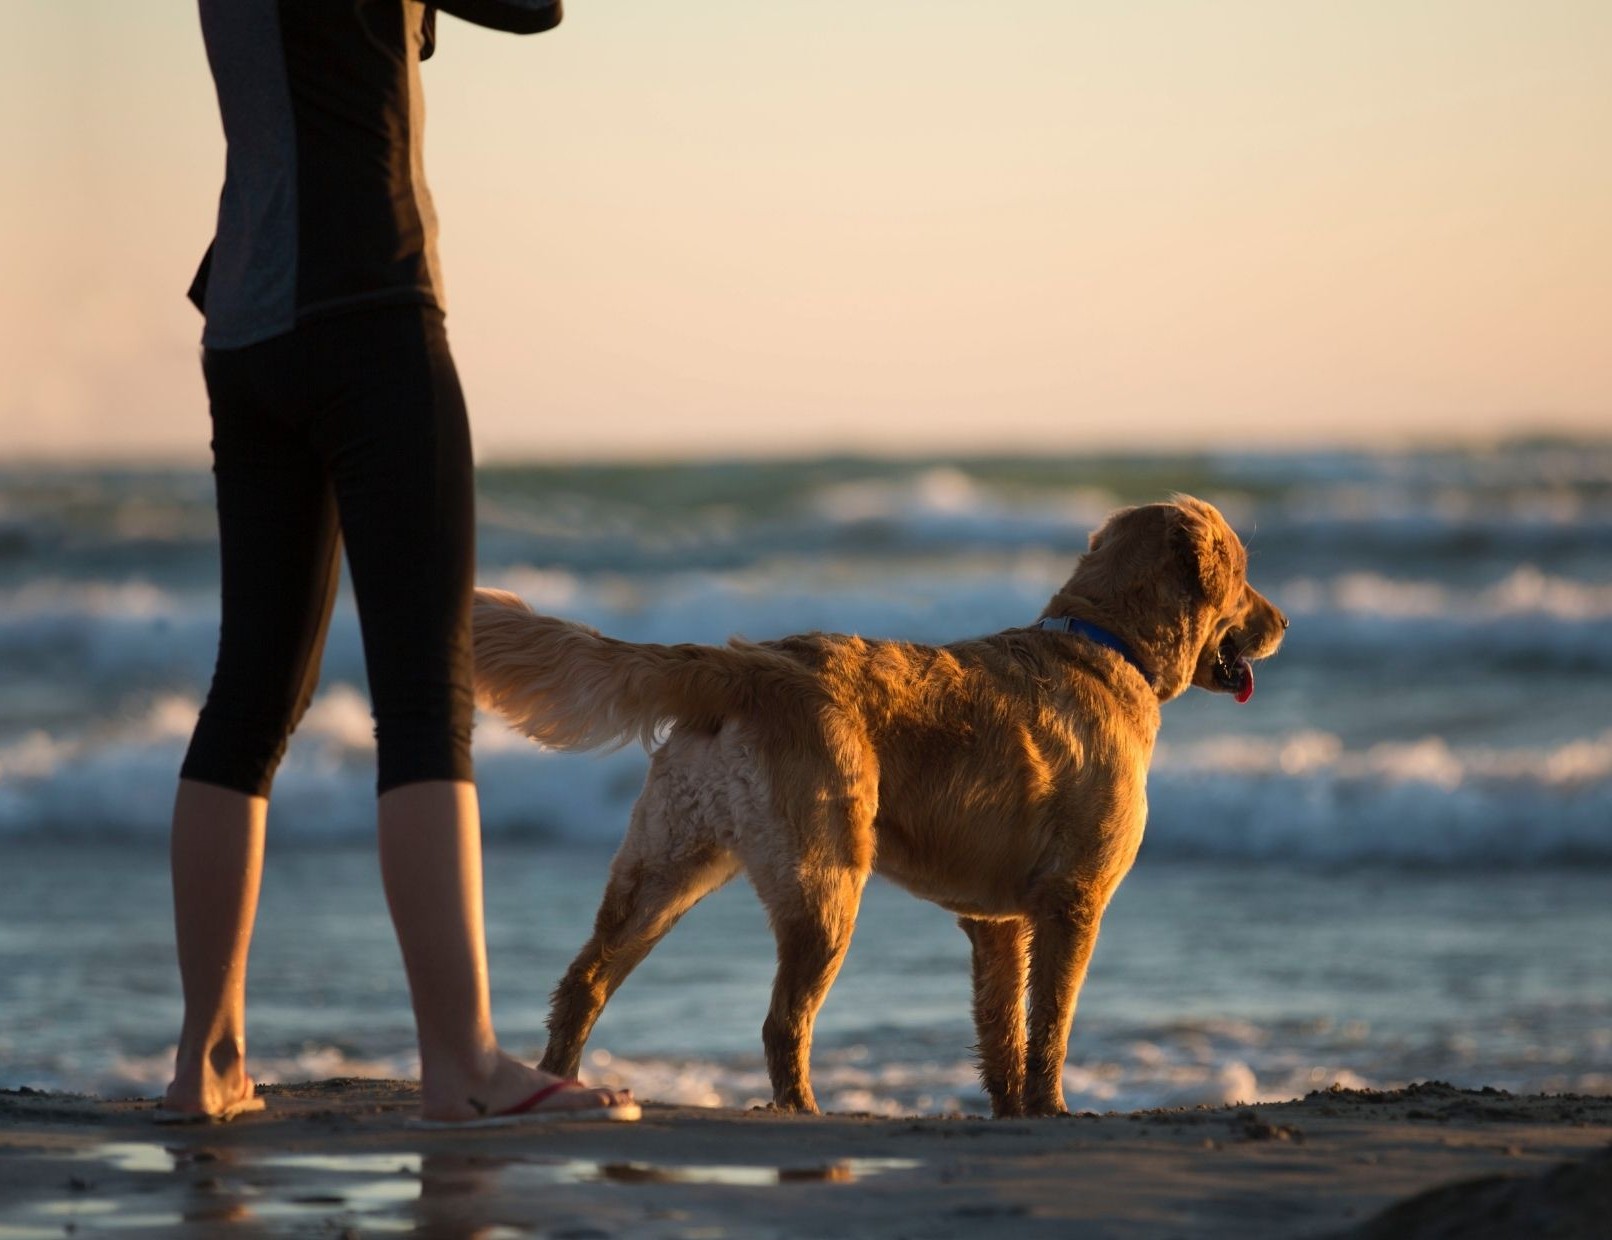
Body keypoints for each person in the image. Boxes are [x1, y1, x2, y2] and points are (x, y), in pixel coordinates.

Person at [162, 0, 636, 1125]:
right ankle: (464, 1064)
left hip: (245, 322)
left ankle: (206, 1063)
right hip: (368, 304)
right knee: (424, 703)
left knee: (248, 698)